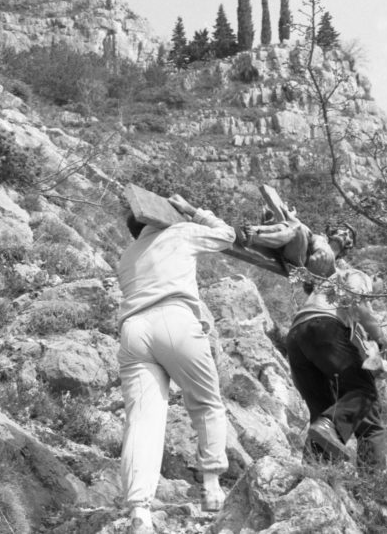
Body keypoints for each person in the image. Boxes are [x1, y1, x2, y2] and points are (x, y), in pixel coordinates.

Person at [116, 194, 234, 533]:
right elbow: (227, 235)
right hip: (174, 320)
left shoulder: (128, 255)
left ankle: (140, 511)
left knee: (142, 420)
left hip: (133, 330)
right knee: (206, 403)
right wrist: (194, 211)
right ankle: (211, 488)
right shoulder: (180, 232)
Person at [284, 224, 387, 468]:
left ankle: (314, 471)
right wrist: (382, 339)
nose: (379, 292)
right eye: (382, 287)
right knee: (364, 392)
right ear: (376, 277)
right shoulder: (359, 276)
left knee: (323, 409)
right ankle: (364, 470)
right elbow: (357, 303)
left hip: (297, 336)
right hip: (323, 327)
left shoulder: (330, 279)